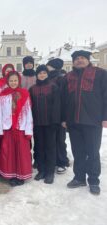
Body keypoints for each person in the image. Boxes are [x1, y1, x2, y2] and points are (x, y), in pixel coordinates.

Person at [61, 50, 107, 195]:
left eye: (82, 58)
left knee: (93, 152)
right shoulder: (68, 77)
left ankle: (93, 180)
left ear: (88, 60)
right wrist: (63, 118)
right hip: (74, 122)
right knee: (78, 152)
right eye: (76, 58)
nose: (79, 60)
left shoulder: (100, 74)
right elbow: (63, 100)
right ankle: (79, 177)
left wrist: (105, 116)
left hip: (92, 121)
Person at [0, 71, 33, 186]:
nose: (13, 82)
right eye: (11, 80)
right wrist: (0, 129)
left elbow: (28, 112)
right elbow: (0, 113)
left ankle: (20, 175)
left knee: (21, 152)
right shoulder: (3, 95)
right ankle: (10, 173)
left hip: (20, 128)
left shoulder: (24, 93)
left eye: (15, 80)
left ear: (19, 81)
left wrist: (28, 130)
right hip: (8, 128)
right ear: (8, 81)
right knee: (8, 152)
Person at [29, 65, 61, 184]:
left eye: (44, 73)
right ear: (37, 75)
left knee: (50, 148)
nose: (42, 75)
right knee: (39, 147)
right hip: (37, 123)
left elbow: (57, 106)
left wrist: (55, 122)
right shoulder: (32, 89)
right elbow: (30, 107)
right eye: (39, 73)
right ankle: (41, 170)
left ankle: (50, 172)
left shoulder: (53, 87)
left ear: (47, 74)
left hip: (50, 123)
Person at [46, 58, 70, 174]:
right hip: (50, 114)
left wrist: (64, 117)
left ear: (53, 67)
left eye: (48, 66)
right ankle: (55, 160)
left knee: (60, 139)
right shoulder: (49, 78)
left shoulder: (60, 79)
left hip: (59, 114)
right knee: (52, 139)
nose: (47, 67)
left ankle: (62, 162)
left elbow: (64, 99)